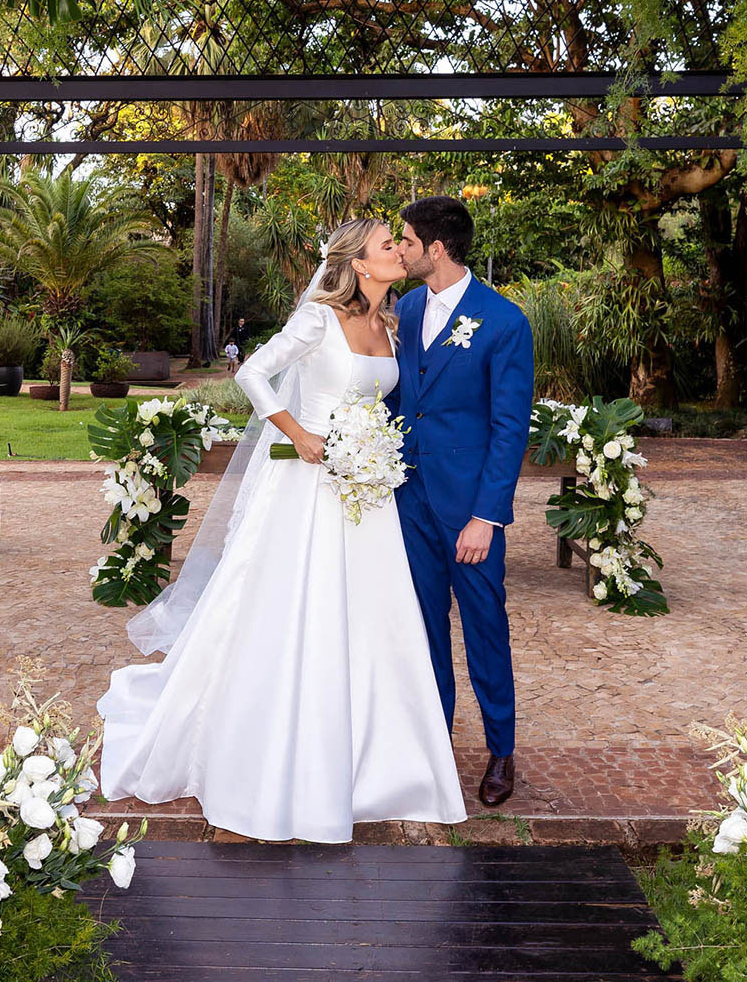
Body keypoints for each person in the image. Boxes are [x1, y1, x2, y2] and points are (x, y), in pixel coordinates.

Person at [95, 218, 467, 843]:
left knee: (373, 617)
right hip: (309, 488)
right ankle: (280, 754)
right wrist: (300, 435)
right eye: (387, 245)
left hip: (367, 494)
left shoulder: (393, 324)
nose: (400, 251)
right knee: (301, 609)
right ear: (358, 262)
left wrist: (372, 449)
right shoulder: (319, 319)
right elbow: (252, 374)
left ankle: (383, 761)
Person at [392, 195, 534, 807]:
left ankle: (501, 752)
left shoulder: (503, 321)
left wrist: (487, 516)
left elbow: (510, 428)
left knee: (484, 629)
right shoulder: (405, 307)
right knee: (422, 629)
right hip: (408, 501)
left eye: (404, 240)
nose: (398, 249)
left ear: (436, 249)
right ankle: (435, 746)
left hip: (470, 512)